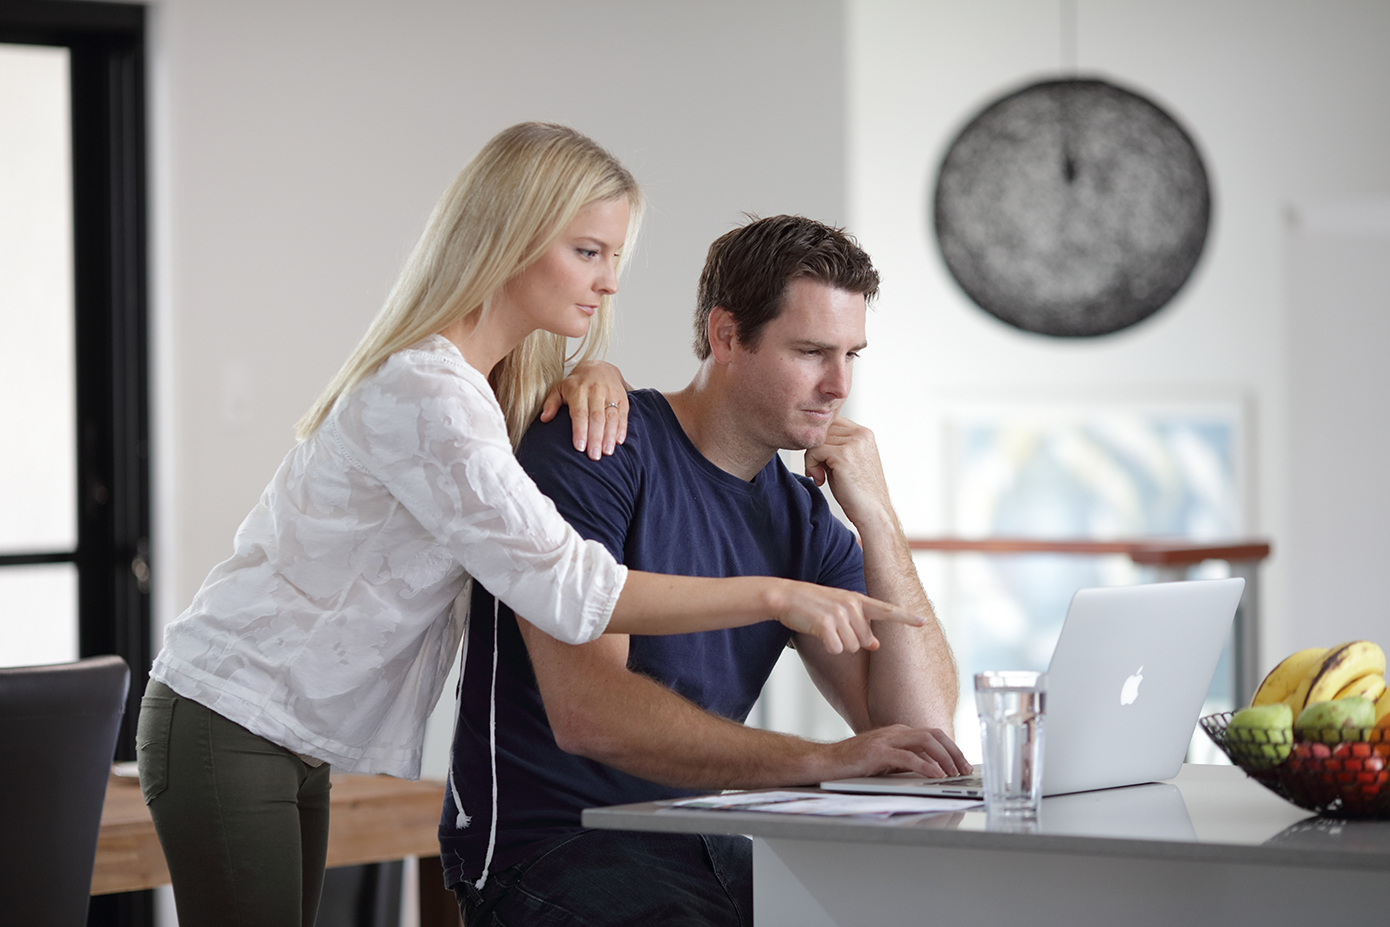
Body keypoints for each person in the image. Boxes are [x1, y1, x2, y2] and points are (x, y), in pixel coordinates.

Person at [135, 126, 924, 927]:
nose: (609, 282)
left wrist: (593, 370)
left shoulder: (490, 390)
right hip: (229, 709)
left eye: (613, 256)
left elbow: (915, 726)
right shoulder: (429, 392)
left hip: (287, 733)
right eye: (588, 251)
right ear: (511, 237)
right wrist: (775, 598)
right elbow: (570, 587)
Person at [440, 214, 969, 926]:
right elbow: (590, 713)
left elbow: (920, 730)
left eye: (852, 355)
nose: (838, 383)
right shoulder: (596, 444)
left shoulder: (803, 515)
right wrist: (831, 758)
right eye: (811, 351)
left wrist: (878, 517)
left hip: (699, 841)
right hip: (557, 845)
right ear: (726, 336)